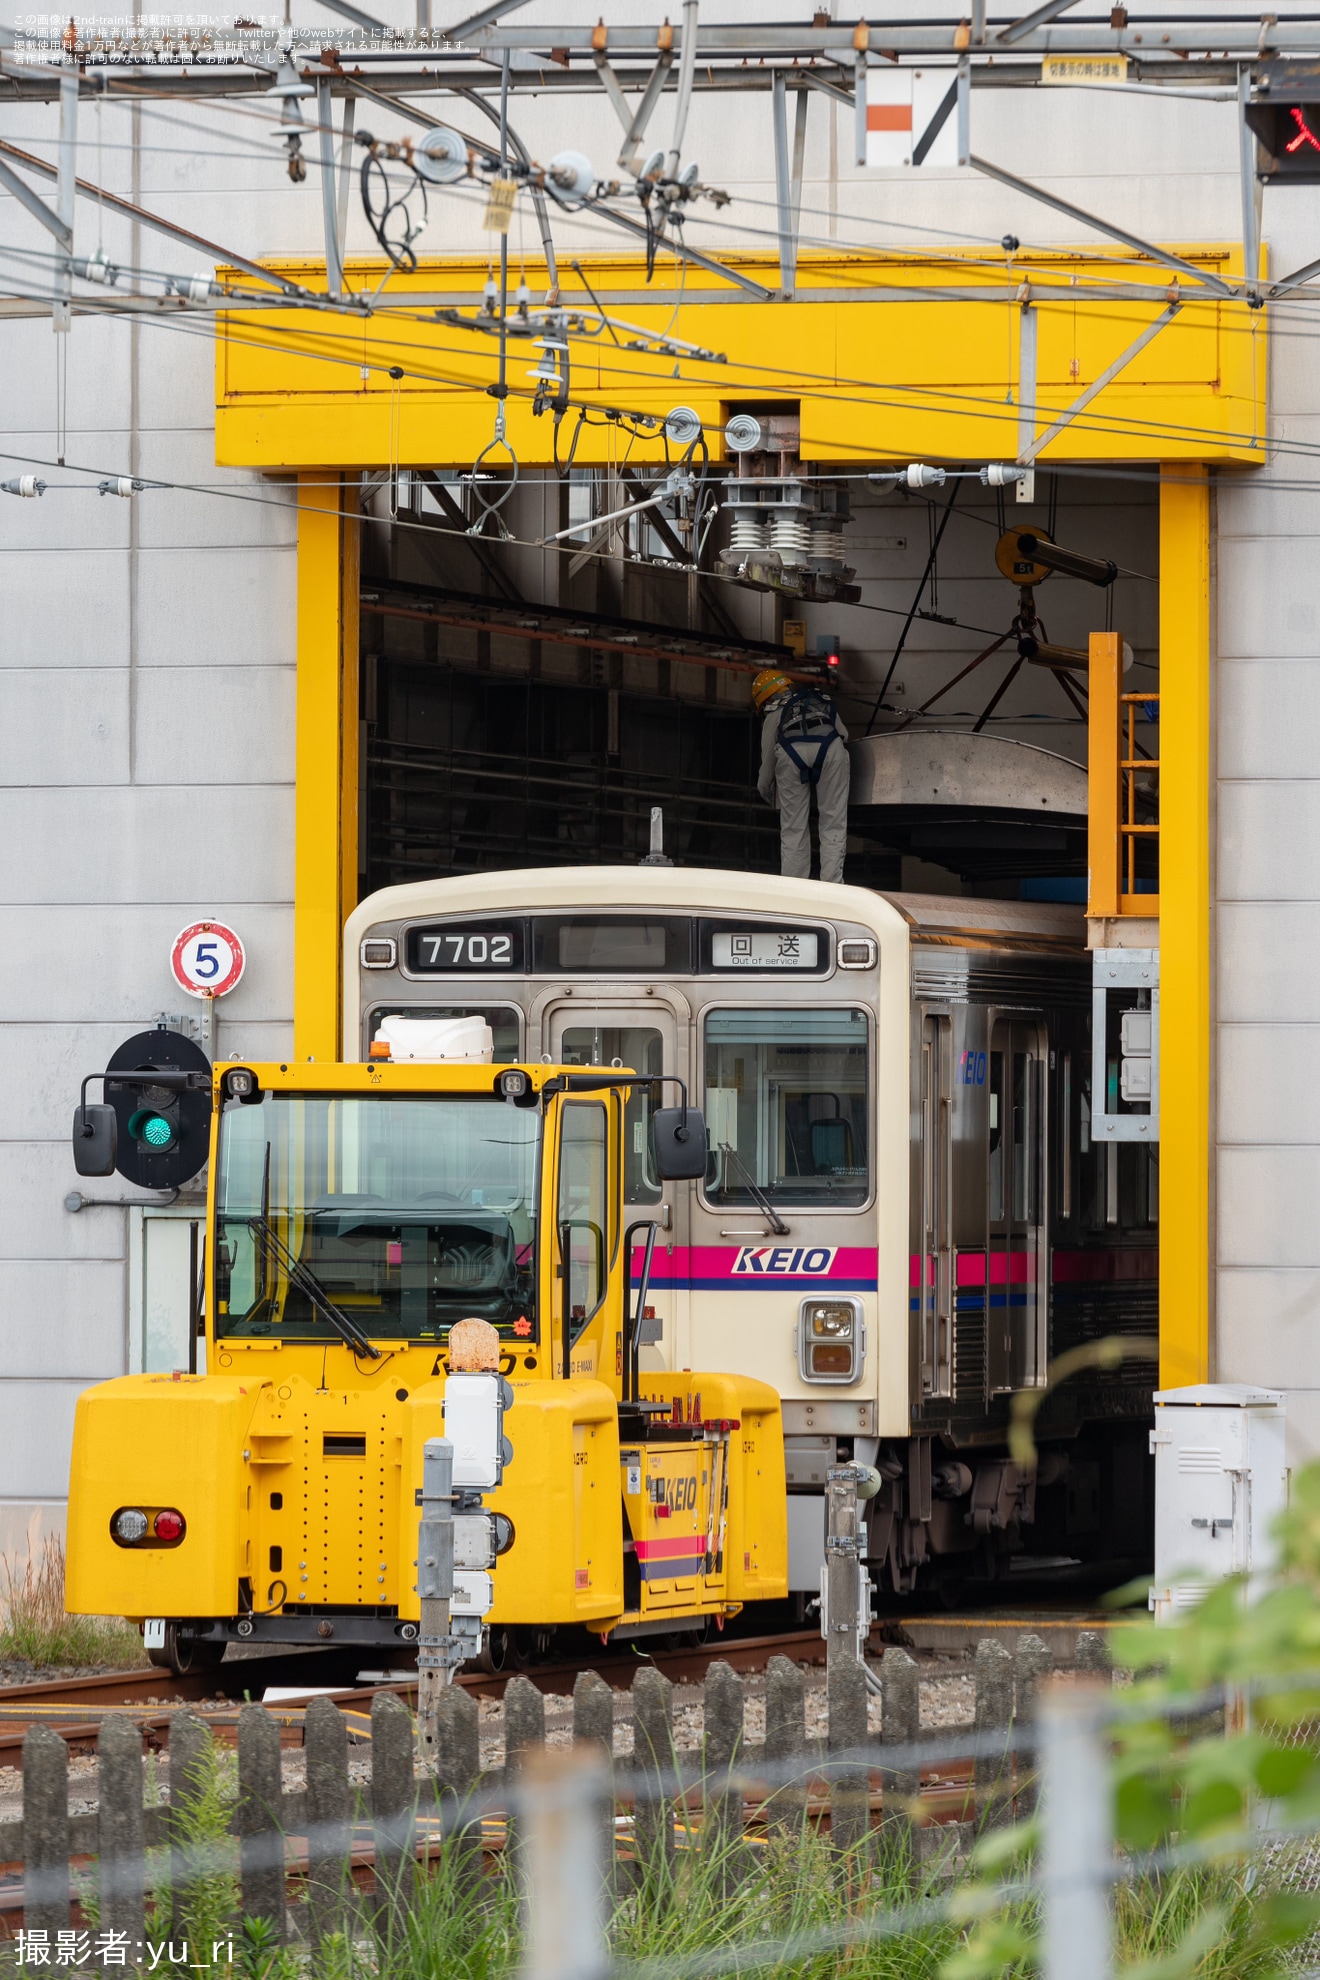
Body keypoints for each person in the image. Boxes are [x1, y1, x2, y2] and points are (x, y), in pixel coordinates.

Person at [753, 669, 850, 884]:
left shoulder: (773, 715)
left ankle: (795, 887)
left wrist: (769, 795)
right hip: (830, 749)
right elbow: (843, 734)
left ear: (765, 699)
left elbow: (767, 769)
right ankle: (833, 885)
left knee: (794, 828)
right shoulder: (817, 701)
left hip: (790, 755)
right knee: (832, 822)